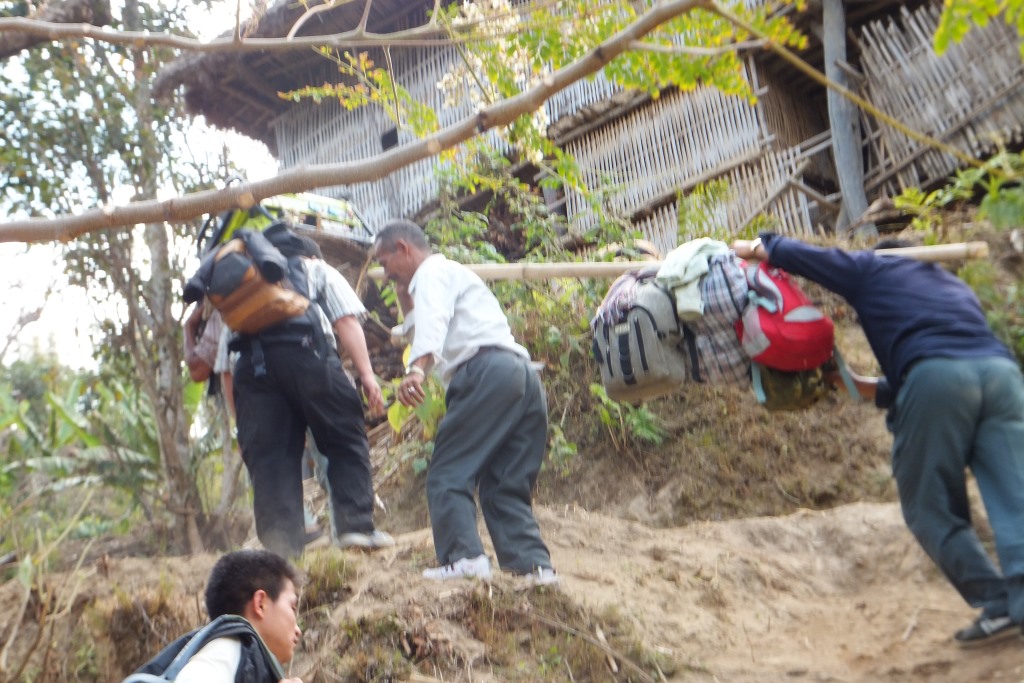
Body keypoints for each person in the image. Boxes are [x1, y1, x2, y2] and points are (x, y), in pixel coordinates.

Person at [732, 233, 1024, 647]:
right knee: (1015, 494)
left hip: (938, 379)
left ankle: (996, 603)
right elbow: (923, 370)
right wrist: (851, 384)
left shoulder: (875, 268)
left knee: (929, 507)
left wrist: (762, 244)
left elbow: (816, 259)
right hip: (1002, 378)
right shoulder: (952, 286)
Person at [373, 219, 556, 584]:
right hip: (521, 376)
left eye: (385, 262)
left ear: (403, 249)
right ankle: (534, 569)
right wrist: (403, 292)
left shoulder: (432, 271)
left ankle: (465, 559)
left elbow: (432, 326)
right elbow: (420, 320)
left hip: (485, 373)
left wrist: (417, 371)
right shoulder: (444, 277)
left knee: (447, 473)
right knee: (504, 483)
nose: (384, 273)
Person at [228, 223, 393, 558]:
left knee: (270, 460)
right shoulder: (315, 267)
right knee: (343, 435)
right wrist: (367, 376)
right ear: (303, 252)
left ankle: (282, 547)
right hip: (309, 359)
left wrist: (240, 424)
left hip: (253, 376)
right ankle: (355, 528)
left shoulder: (238, 291)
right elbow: (346, 321)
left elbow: (227, 364)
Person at [175, 549, 302, 683]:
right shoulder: (223, 654)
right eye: (292, 607)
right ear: (260, 604)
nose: (298, 630)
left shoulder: (239, 661)